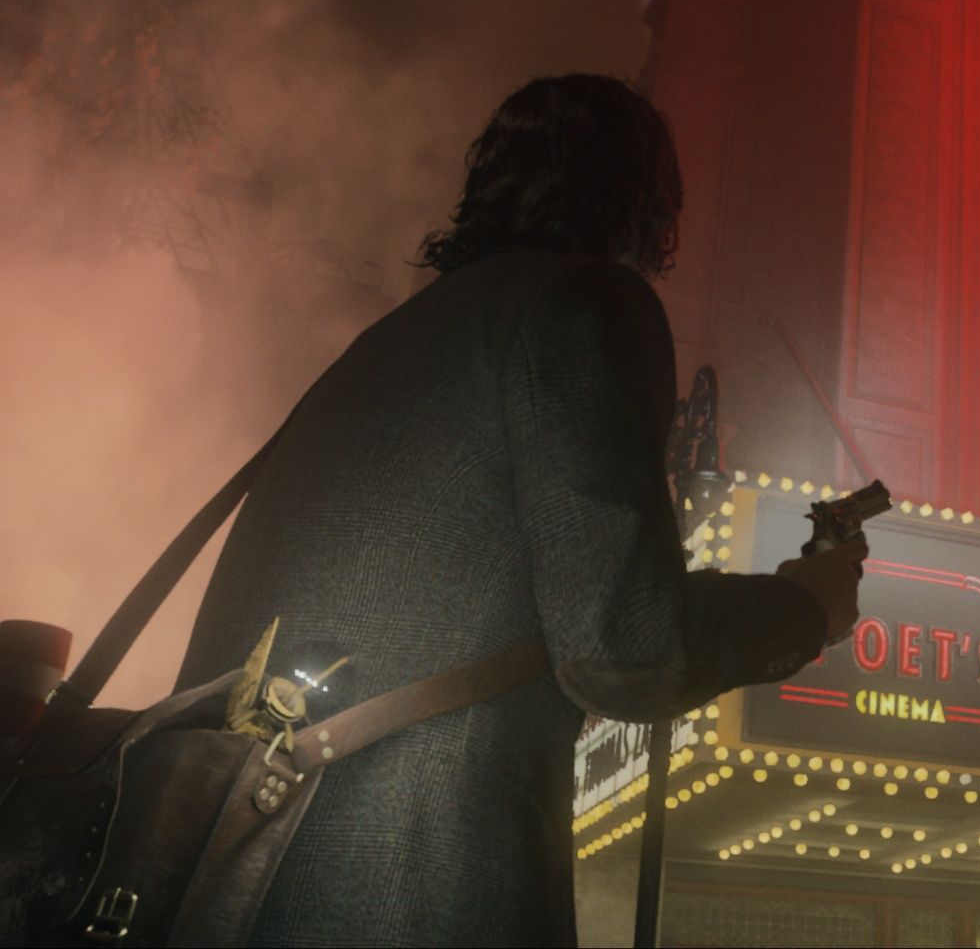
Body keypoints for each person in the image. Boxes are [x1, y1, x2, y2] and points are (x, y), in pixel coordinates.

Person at [172, 74, 865, 945]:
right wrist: (804, 606)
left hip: (223, 880)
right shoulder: (587, 303)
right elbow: (625, 648)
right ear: (646, 204)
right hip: (417, 884)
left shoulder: (377, 349)